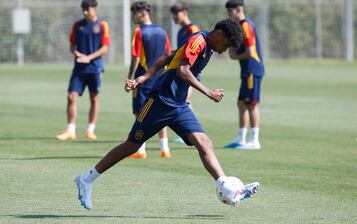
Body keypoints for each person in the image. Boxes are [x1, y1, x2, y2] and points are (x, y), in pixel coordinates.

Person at [75, 18, 259, 210]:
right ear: (220, 34)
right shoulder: (199, 41)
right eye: (226, 45)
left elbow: (168, 55)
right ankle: (87, 179)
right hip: (160, 101)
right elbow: (182, 70)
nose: (224, 50)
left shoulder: (208, 48)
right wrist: (208, 92)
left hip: (179, 105)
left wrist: (144, 76)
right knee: (132, 145)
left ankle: (225, 186)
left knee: (204, 142)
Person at [56, 0, 111, 141]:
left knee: (94, 98)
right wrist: (77, 53)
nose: (86, 12)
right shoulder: (77, 25)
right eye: (84, 10)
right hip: (79, 68)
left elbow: (104, 48)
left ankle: (90, 130)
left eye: (88, 9)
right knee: (71, 96)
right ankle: (70, 130)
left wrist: (89, 57)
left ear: (95, 8)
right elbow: (72, 46)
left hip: (95, 68)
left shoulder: (103, 25)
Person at [125, 1, 172, 159]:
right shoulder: (162, 31)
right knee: (160, 112)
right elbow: (168, 54)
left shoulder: (138, 32)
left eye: (134, 13)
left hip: (143, 79)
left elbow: (136, 57)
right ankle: (165, 149)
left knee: (140, 113)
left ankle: (140, 150)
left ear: (143, 13)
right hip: (159, 78)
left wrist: (130, 78)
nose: (132, 16)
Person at [223, 0, 265, 150]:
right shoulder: (240, 25)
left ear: (238, 10)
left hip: (253, 70)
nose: (229, 15)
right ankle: (241, 138)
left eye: (230, 12)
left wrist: (235, 56)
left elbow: (251, 52)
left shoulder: (246, 25)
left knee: (251, 104)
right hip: (247, 71)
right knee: (241, 103)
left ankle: (254, 141)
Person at [170, 1, 201, 143]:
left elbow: (198, 49)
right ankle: (191, 132)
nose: (175, 17)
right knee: (183, 101)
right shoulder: (181, 31)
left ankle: (194, 132)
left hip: (190, 71)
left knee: (184, 101)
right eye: (173, 15)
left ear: (184, 13)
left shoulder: (192, 28)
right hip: (181, 71)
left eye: (177, 14)